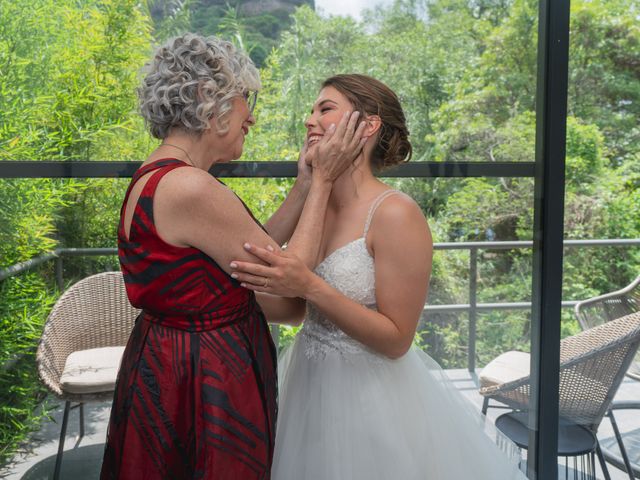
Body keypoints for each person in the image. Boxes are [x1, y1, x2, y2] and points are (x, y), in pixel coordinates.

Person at [230, 74, 528, 479]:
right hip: (308, 385)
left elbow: (397, 339)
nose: (309, 120)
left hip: (370, 399)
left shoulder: (395, 213)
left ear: (367, 126)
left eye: (325, 109)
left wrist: (309, 285)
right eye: (313, 109)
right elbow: (295, 309)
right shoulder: (318, 204)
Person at [100, 35, 365, 480]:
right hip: (205, 384)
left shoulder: (160, 176)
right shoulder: (191, 188)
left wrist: (302, 186)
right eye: (246, 98)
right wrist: (323, 182)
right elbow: (287, 283)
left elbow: (246, 250)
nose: (252, 116)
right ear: (210, 98)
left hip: (170, 367)